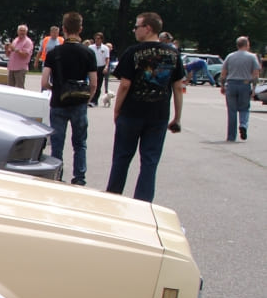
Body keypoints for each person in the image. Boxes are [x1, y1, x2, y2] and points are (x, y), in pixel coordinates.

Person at [105, 11, 186, 202]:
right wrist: (177, 117)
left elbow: (125, 84)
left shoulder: (133, 52)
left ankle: (113, 197)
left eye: (137, 26)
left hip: (132, 112)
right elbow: (177, 87)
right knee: (149, 162)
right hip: (158, 115)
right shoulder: (173, 54)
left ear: (147, 28)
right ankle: (143, 202)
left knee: (122, 158)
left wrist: (117, 109)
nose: (134, 30)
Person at [40, 11, 98, 185]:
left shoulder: (54, 53)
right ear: (80, 29)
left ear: (63, 29)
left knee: (57, 142)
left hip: (59, 101)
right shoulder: (88, 53)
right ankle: (79, 177)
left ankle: (57, 175)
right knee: (80, 143)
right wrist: (88, 98)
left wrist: (54, 88)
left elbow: (44, 81)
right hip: (79, 102)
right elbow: (94, 83)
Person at [220, 35, 261, 142]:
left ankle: (231, 136)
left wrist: (222, 86)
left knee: (232, 111)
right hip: (245, 84)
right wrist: (254, 88)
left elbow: (223, 73)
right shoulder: (252, 57)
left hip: (231, 84)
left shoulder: (230, 56)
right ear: (247, 45)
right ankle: (243, 124)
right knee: (244, 108)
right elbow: (255, 73)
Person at [87, 33, 111, 104]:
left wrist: (106, 67)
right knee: (92, 84)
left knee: (98, 84)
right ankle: (90, 99)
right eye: (96, 38)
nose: (97, 40)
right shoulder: (91, 47)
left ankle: (95, 100)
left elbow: (107, 59)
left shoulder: (105, 48)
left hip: (101, 67)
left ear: (101, 39)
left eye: (98, 38)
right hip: (93, 67)